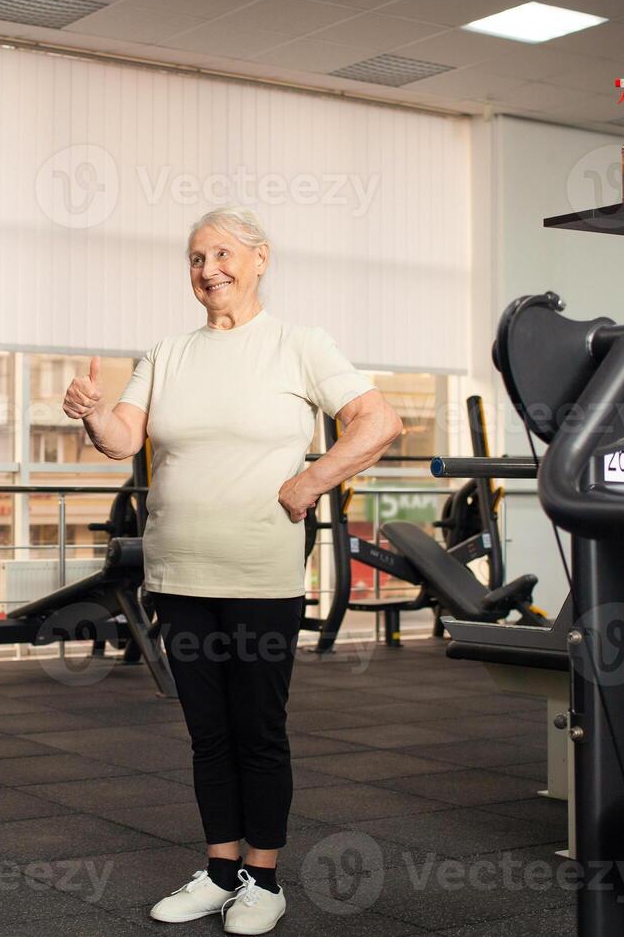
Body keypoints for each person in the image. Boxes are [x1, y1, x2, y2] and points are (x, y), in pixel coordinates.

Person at [62, 206, 403, 934]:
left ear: (259, 259)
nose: (207, 270)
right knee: (206, 732)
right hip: (178, 574)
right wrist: (92, 415)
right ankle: (219, 871)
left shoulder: (298, 345)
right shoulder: (167, 351)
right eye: (194, 259)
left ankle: (264, 880)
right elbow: (124, 438)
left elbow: (378, 422)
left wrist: (311, 484)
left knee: (258, 730)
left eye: (220, 254)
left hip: (260, 577)